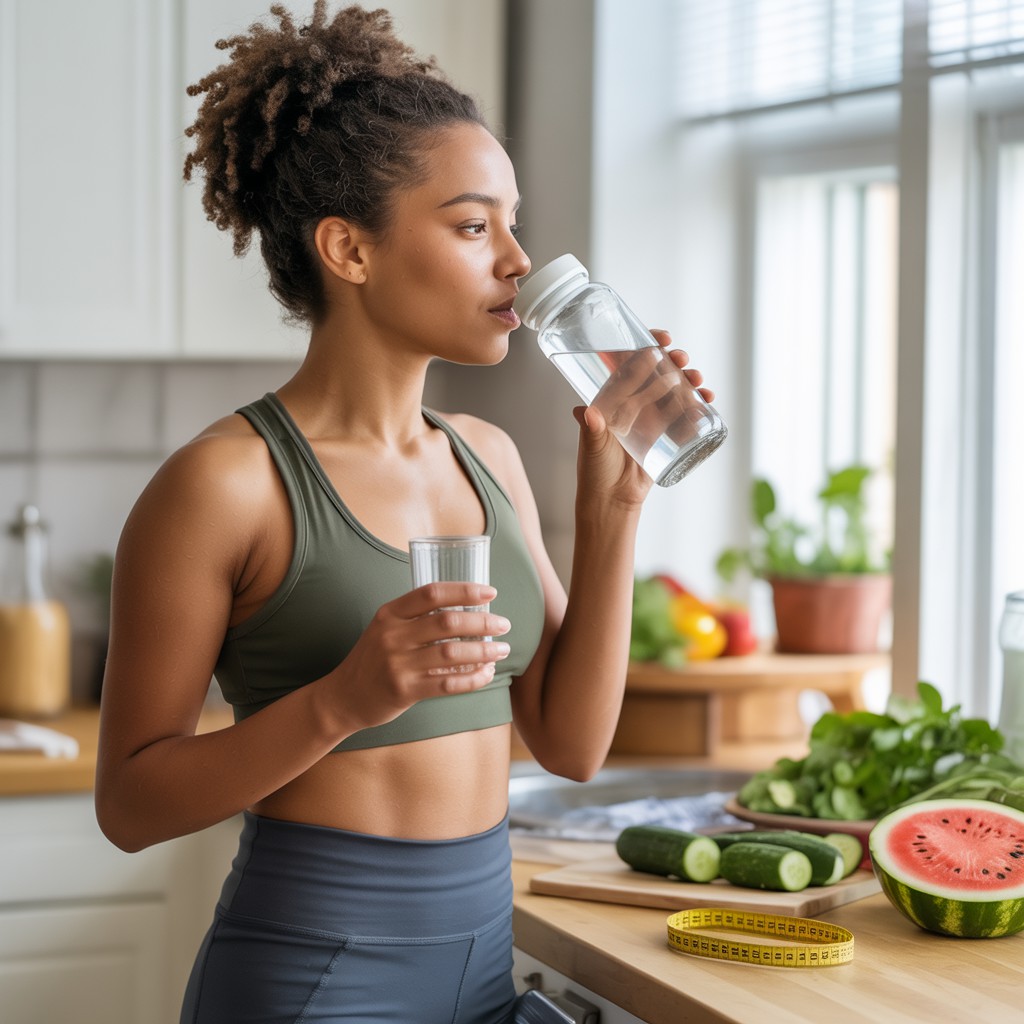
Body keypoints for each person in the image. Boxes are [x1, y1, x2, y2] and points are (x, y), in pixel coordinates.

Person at [94, 3, 715, 1022]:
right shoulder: (223, 483)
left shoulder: (490, 456)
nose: (516, 259)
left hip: (481, 968)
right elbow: (128, 803)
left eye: (512, 222)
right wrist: (345, 698)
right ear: (350, 250)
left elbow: (569, 743)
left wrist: (613, 516)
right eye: (474, 226)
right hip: (316, 976)